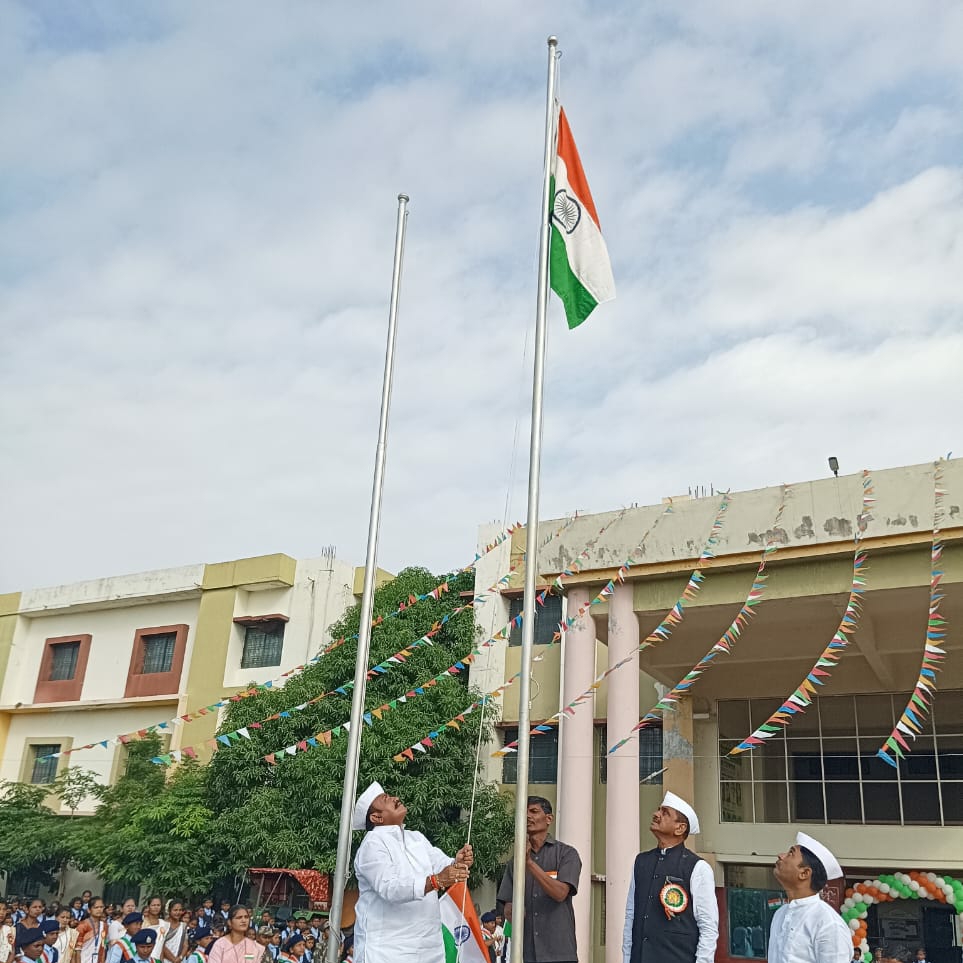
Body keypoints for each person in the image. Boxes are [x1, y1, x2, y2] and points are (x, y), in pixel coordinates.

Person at [351, 781, 473, 963]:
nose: (396, 798)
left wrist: (458, 862)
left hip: (428, 948)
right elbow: (390, 888)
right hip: (388, 951)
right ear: (376, 818)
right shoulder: (372, 844)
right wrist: (436, 881)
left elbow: (441, 865)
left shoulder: (415, 838)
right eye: (386, 799)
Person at [621, 792, 718, 963]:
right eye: (659, 810)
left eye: (665, 812)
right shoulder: (641, 862)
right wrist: (627, 958)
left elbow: (708, 926)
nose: (656, 814)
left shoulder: (698, 868)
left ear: (680, 828)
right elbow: (631, 915)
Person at [497, 796, 581, 963]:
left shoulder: (566, 854)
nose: (527, 816)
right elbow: (508, 906)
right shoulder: (515, 863)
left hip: (558, 952)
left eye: (534, 811)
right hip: (526, 953)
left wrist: (528, 863)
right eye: (524, 812)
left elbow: (560, 893)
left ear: (548, 819)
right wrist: (512, 912)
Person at [768, 832, 851, 963]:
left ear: (804, 873)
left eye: (790, 853)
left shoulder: (828, 924)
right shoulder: (780, 914)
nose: (780, 855)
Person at [73, 899, 107, 963]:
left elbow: (103, 946)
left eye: (101, 907)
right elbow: (77, 949)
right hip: (83, 959)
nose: (99, 909)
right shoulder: (82, 925)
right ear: (89, 910)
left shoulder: (104, 926)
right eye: (96, 907)